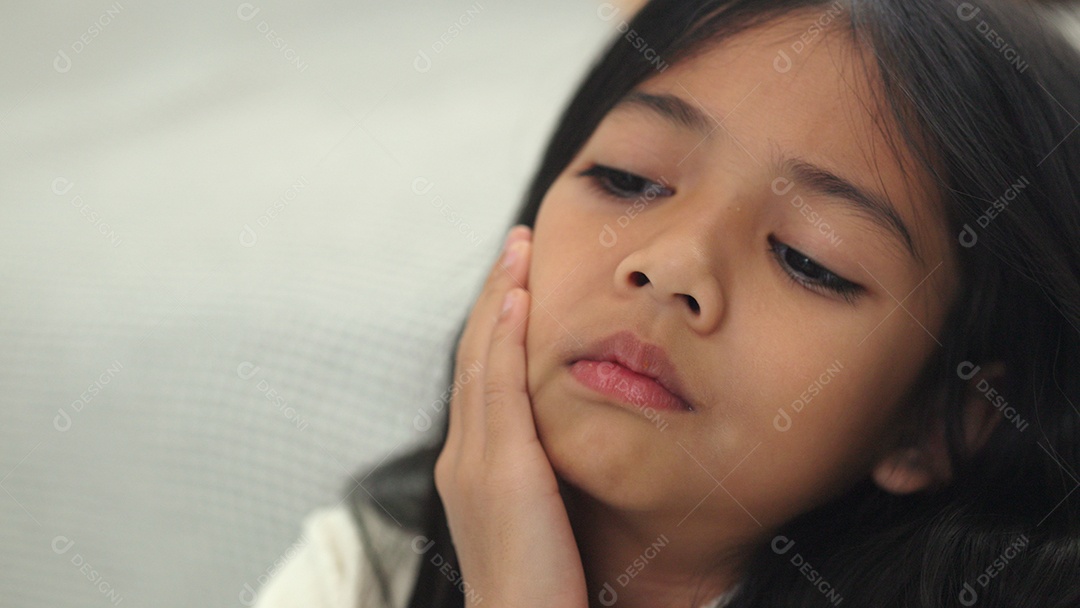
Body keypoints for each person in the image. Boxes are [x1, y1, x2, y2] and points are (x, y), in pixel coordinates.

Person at [254, 0, 1080, 606]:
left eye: (808, 260)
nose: (671, 265)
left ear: (941, 421)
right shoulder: (366, 573)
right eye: (628, 179)